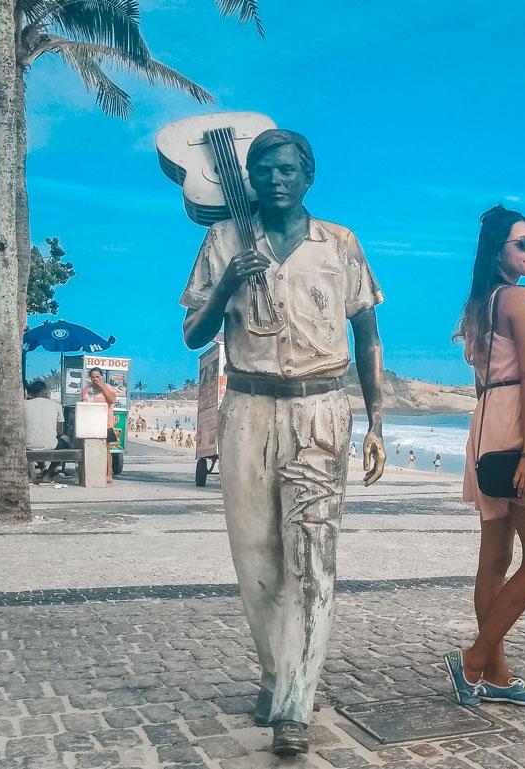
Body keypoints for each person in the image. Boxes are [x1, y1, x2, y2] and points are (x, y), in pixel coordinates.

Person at [180, 128, 386, 756]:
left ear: (308, 175)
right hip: (247, 410)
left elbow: (368, 334)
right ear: (249, 179)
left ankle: (296, 700)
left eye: (288, 168)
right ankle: (275, 675)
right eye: (264, 169)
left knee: (312, 557)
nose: (276, 178)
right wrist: (226, 288)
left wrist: (377, 420)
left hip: (321, 410)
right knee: (257, 557)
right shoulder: (222, 241)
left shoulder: (340, 244)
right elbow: (192, 333)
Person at [444, 204, 525, 709]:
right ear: (499, 252)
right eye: (523, 243)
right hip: (518, 422)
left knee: (494, 559)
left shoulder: (478, 302)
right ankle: (474, 661)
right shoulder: (517, 296)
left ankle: (496, 675)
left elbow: (478, 380)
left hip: (489, 418)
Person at [23, 380, 67, 483]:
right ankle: (48, 474)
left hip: (28, 445)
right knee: (64, 444)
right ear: (45, 391)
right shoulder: (56, 405)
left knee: (36, 437)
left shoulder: (24, 404)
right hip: (50, 444)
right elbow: (59, 430)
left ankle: (42, 470)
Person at [81, 367, 118, 483]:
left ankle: (108, 473)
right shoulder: (87, 389)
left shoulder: (108, 387)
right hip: (91, 423)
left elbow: (112, 400)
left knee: (106, 449)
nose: (95, 379)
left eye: (98, 377)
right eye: (93, 377)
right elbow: (83, 403)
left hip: (105, 423)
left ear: (102, 377)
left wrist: (102, 387)